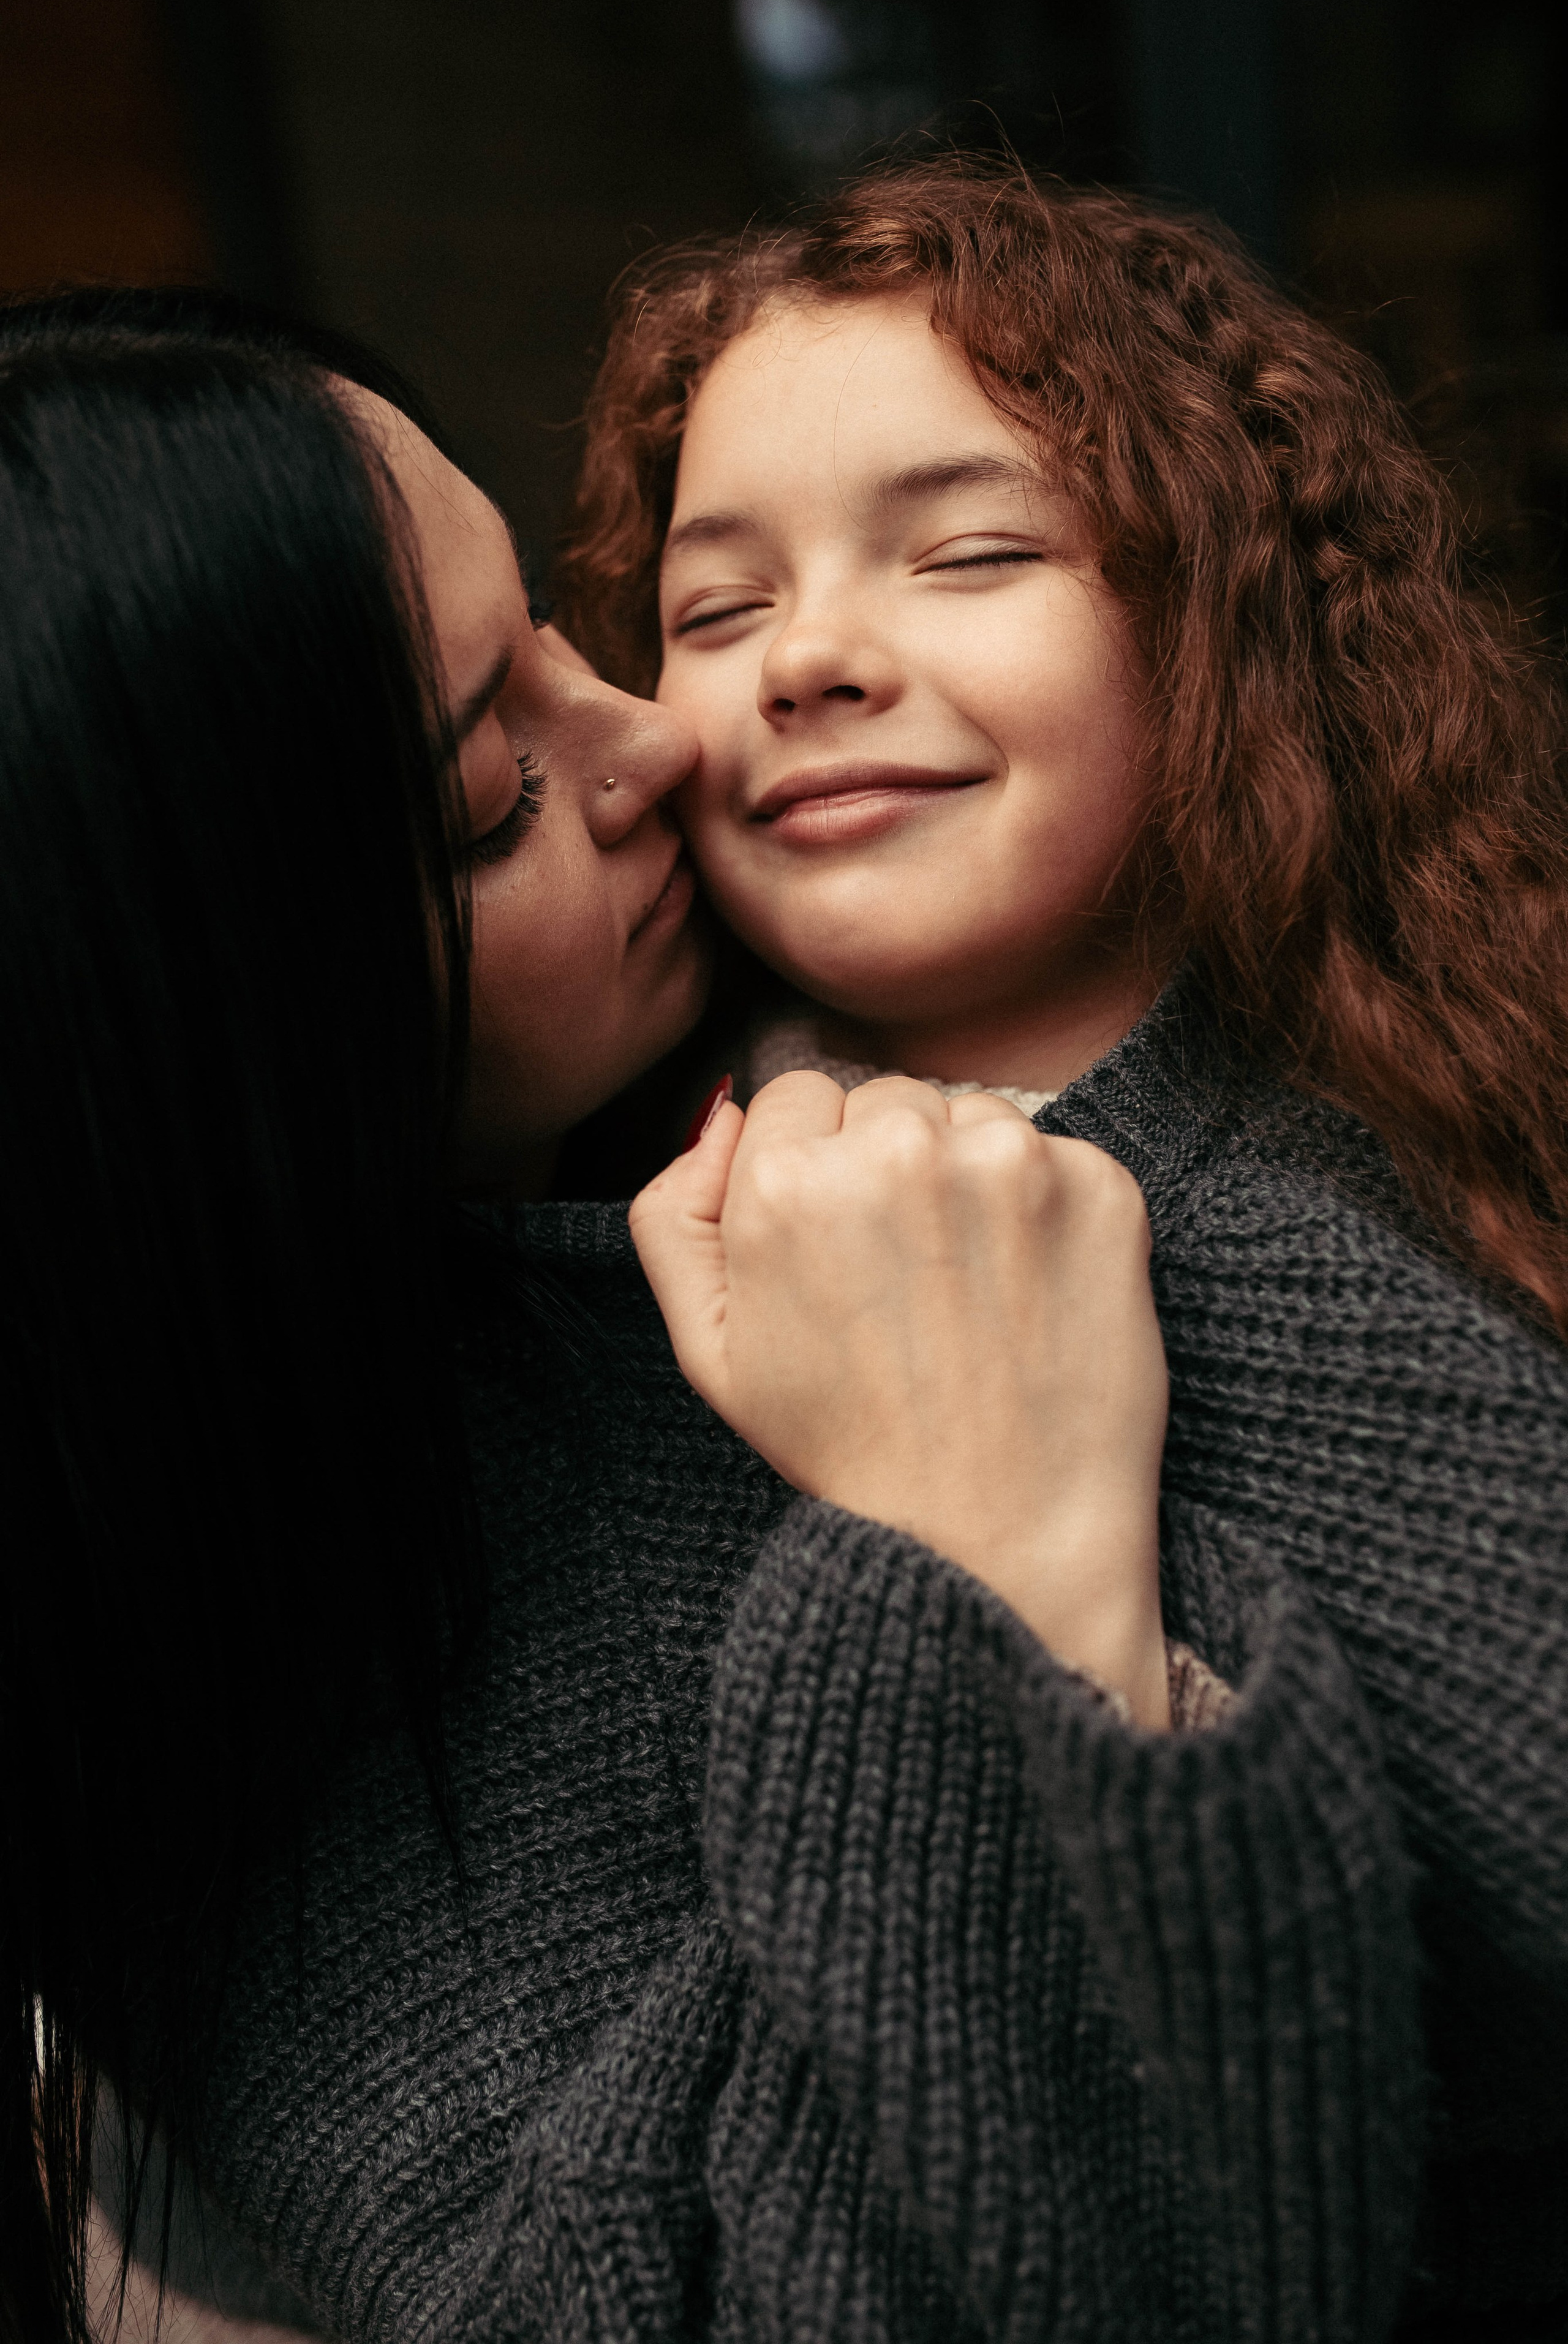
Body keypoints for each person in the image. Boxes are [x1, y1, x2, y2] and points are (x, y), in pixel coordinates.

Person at [2, 287, 1175, 2344]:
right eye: (489, 790)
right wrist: (985, 1556)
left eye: (563, 627)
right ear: (213, 1046)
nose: (654, 735)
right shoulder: (268, 1771)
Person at [553, 157, 1568, 2338]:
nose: (811, 657)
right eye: (716, 611)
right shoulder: (561, 1285)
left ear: (1216, 611)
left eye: (974, 553)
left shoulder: (1472, 1150)